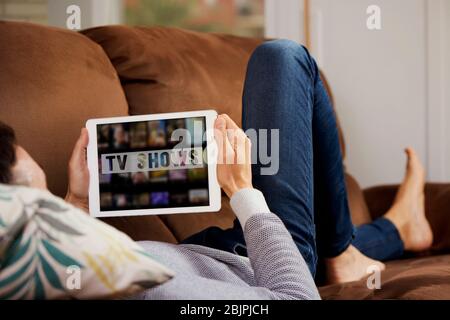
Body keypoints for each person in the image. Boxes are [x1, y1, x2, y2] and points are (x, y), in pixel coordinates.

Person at [0, 40, 433, 298]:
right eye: (19, 149)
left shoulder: (60, 264)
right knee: (283, 59)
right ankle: (344, 252)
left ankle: (395, 229)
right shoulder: (132, 286)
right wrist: (244, 192)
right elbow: (293, 295)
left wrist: (76, 200)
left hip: (217, 249)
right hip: (262, 260)